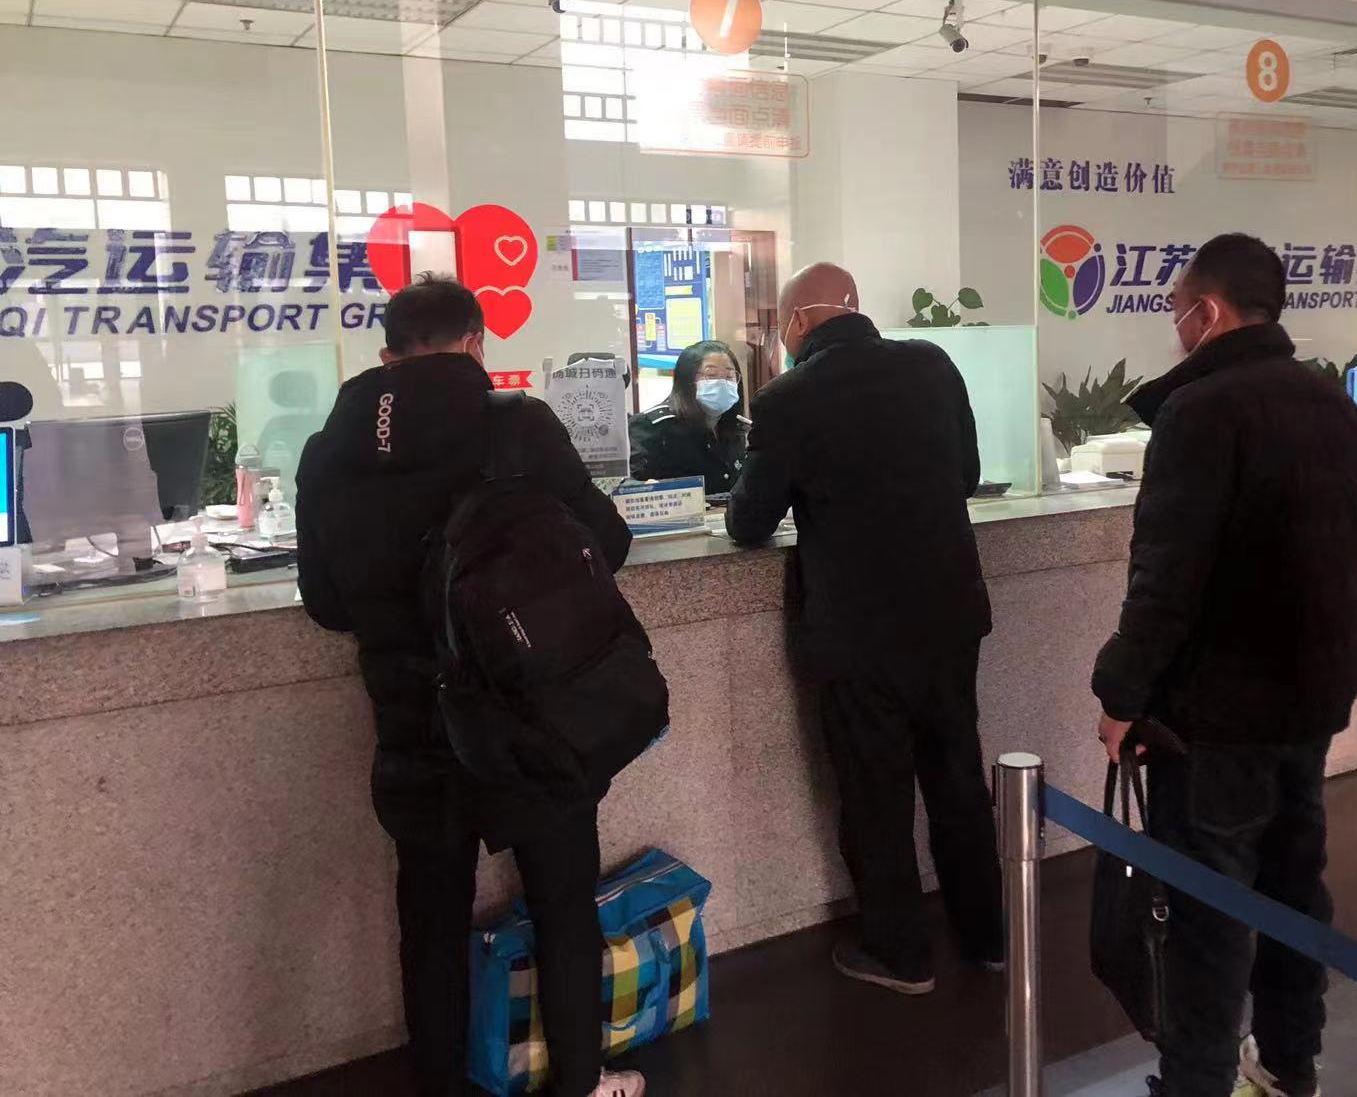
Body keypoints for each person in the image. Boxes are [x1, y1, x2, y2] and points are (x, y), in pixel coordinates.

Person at [295, 277, 644, 1097]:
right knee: (562, 899)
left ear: (387, 356)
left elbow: (326, 604)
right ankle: (582, 1083)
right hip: (529, 709)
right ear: (477, 342)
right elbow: (610, 542)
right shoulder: (516, 424)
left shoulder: (329, 450)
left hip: (412, 718)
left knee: (430, 918)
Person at [1092, 234, 1357, 1097]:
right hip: (1310, 696)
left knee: (1206, 914)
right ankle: (1290, 1063)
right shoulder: (1332, 405)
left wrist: (1121, 691)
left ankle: (1197, 1082)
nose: (1174, 324)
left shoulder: (1201, 411)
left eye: (1178, 308)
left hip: (1216, 713)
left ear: (1207, 311)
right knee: (1293, 890)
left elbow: (1167, 579)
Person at [725, 262, 1002, 995]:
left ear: (797, 323)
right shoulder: (933, 366)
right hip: (948, 615)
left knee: (877, 792)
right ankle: (987, 936)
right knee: (957, 776)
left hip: (858, 633)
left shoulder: (787, 399)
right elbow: (966, 475)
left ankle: (901, 953)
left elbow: (749, 522)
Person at [627, 340, 748, 496]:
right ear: (687, 380)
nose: (722, 383)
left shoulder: (735, 427)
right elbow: (629, 485)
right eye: (711, 375)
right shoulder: (652, 426)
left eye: (729, 376)